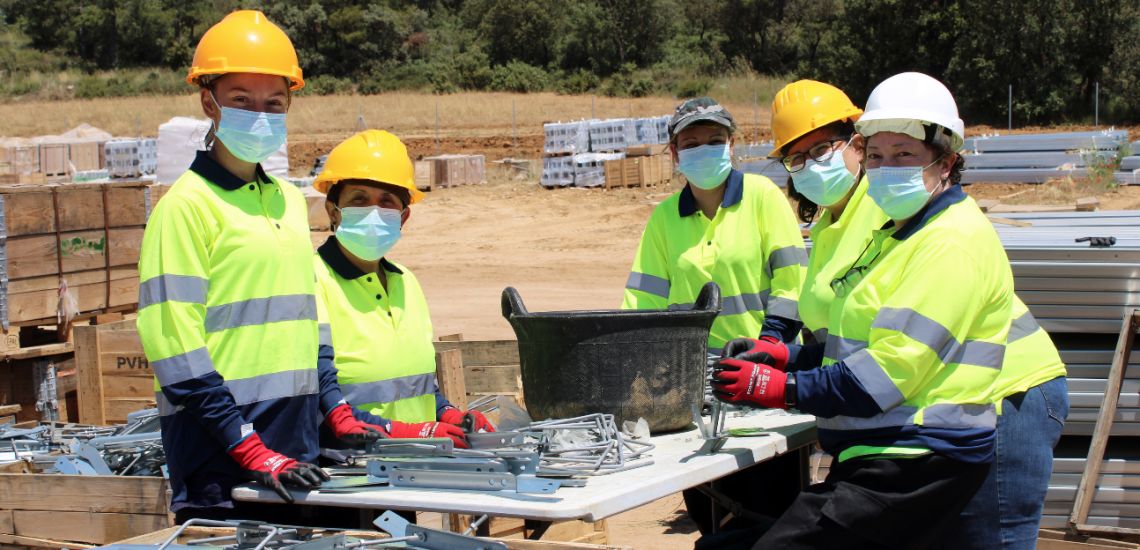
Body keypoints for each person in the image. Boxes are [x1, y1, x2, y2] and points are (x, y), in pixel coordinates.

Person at [751, 77, 1069, 550]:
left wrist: (786, 385)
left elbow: (899, 349)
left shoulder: (892, 208)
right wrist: (787, 356)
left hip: (999, 390)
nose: (812, 165)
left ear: (852, 143)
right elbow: (862, 330)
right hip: (923, 393)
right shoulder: (837, 222)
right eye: (797, 157)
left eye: (822, 148)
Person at [137, 10, 384, 522]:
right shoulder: (185, 207)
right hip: (221, 462)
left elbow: (308, 320)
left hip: (295, 453)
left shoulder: (289, 203)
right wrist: (249, 449)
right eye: (241, 100)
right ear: (209, 102)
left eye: (273, 103)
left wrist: (334, 406)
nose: (260, 115)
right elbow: (174, 347)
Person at [622, 97, 808, 535]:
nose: (703, 149)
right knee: (711, 512)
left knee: (772, 510)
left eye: (714, 139)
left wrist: (767, 348)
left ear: (731, 145)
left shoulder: (762, 198)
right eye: (691, 143)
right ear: (674, 153)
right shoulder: (664, 219)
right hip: (694, 390)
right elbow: (643, 303)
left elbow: (793, 281)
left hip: (765, 380)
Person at [311, 129, 495, 451]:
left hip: (412, 464)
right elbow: (316, 394)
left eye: (386, 202)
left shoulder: (406, 282)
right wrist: (407, 432)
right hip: (346, 467)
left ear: (403, 216)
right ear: (332, 210)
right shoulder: (312, 279)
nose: (373, 211)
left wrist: (448, 414)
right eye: (359, 199)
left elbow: (415, 386)